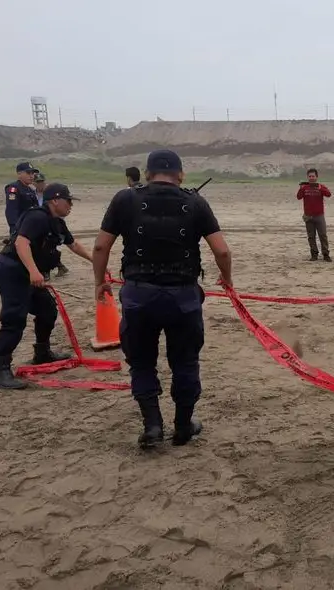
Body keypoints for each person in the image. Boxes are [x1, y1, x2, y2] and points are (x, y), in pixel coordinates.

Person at [92, 149, 233, 450]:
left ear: (146, 174)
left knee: (141, 363)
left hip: (139, 295)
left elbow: (101, 247)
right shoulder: (196, 202)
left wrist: (99, 281)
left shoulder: (124, 199)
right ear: (180, 174)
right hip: (182, 296)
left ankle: (152, 426)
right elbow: (222, 250)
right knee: (185, 362)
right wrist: (227, 279)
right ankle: (183, 426)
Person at [0, 183, 96, 389]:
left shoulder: (58, 223)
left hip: (29, 275)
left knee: (47, 309)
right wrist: (34, 271)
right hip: (12, 273)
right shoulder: (37, 217)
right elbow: (21, 243)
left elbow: (73, 244)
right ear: (55, 200)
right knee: (14, 319)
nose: (71, 205)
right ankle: (0, 370)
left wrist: (95, 260)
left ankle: (42, 352)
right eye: (68, 201)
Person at [32, 171, 70, 278]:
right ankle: (57, 267)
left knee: (50, 246)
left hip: (52, 221)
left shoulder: (50, 193)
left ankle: (48, 271)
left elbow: (74, 245)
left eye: (41, 182)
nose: (40, 184)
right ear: (34, 183)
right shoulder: (31, 194)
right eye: (38, 182)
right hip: (39, 221)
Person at [296, 168, 332, 261]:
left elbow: (328, 194)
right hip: (308, 216)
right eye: (310, 176)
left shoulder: (321, 186)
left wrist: (320, 188)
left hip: (319, 215)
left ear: (316, 177)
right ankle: (314, 254)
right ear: (307, 177)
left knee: (323, 235)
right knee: (311, 236)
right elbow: (299, 197)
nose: (311, 178)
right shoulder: (304, 187)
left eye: (313, 176)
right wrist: (300, 189)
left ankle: (326, 254)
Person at [4, 162, 40, 234]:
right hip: (21, 228)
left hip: (31, 226)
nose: (31, 176)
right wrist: (16, 229)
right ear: (19, 174)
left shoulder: (30, 189)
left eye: (32, 173)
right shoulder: (14, 188)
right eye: (28, 173)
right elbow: (11, 210)